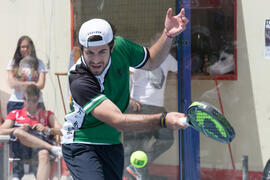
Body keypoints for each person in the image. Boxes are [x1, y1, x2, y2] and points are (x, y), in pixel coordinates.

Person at [61, 8, 189, 180]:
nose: (96, 60)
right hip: (81, 143)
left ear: (111, 47)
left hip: (112, 143)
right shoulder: (79, 78)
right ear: (82, 49)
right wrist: (163, 120)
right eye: (89, 53)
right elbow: (118, 120)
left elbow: (151, 61)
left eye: (102, 52)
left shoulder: (121, 47)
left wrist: (167, 35)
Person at [123, 34, 178, 180]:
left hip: (157, 107)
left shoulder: (167, 57)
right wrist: (128, 98)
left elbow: (182, 69)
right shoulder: (141, 56)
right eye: (157, 40)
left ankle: (137, 166)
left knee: (166, 138)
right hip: (139, 107)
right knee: (134, 145)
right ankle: (126, 173)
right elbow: (126, 75)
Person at [0, 84, 62, 180]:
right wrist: (18, 129)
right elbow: (1, 130)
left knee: (44, 153)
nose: (31, 104)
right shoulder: (15, 113)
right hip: (21, 149)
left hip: (39, 149)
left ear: (38, 100)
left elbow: (62, 131)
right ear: (23, 99)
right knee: (18, 132)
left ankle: (50, 148)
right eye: (27, 100)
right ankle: (51, 148)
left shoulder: (47, 114)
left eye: (34, 100)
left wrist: (47, 129)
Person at [6, 35, 47, 114]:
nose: (25, 49)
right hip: (16, 102)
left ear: (32, 48)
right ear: (19, 48)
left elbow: (41, 85)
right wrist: (29, 83)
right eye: (23, 47)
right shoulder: (13, 62)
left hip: (36, 103)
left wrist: (20, 84)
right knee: (14, 126)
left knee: (38, 126)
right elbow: (12, 83)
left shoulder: (39, 63)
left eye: (28, 47)